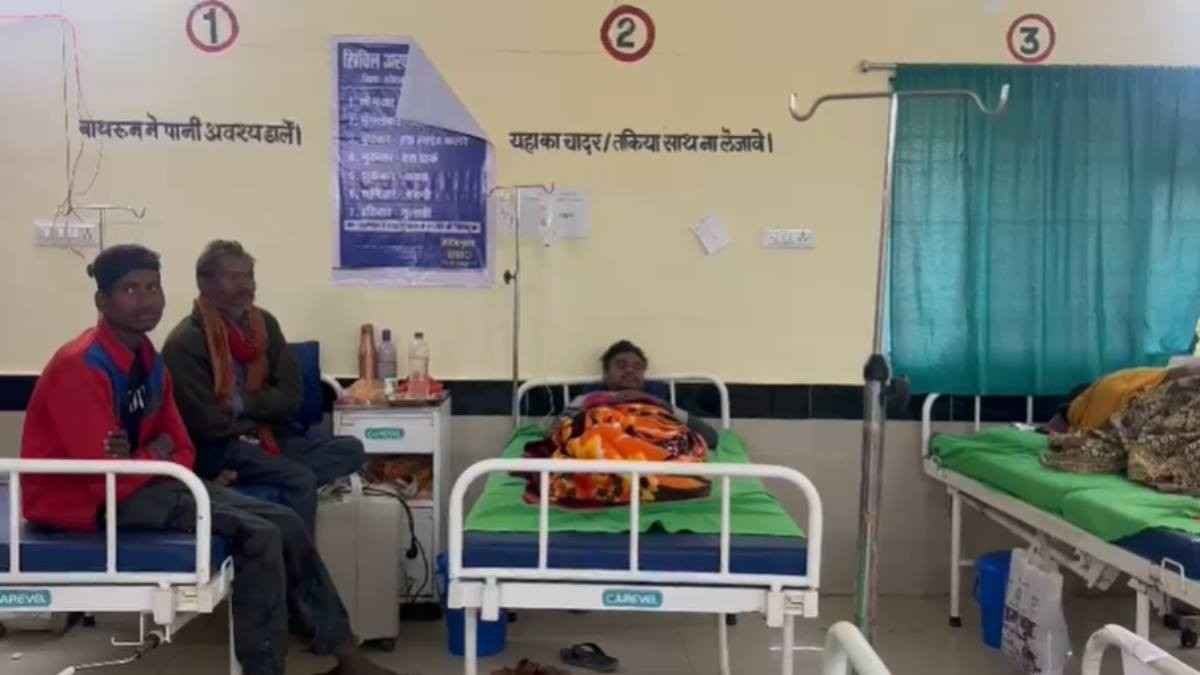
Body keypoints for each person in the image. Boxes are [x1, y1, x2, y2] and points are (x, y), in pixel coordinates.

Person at [20, 245, 395, 675]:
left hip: (147, 481)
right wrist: (155, 453)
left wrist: (149, 455)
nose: (146, 300)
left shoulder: (147, 359)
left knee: (285, 520)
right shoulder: (83, 365)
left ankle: (343, 653)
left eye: (153, 288)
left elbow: (181, 447)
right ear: (102, 301)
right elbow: (107, 478)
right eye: (130, 289)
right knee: (259, 532)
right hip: (86, 504)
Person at [163, 240, 364, 533]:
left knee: (352, 449)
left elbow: (292, 397)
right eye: (234, 277)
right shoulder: (186, 341)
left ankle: (244, 478)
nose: (246, 285)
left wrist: (242, 405)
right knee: (300, 480)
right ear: (205, 283)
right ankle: (296, 561)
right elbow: (206, 423)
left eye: (249, 276)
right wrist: (262, 414)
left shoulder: (265, 325)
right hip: (220, 448)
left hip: (270, 437)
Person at [566, 339, 720, 448]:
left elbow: (711, 438)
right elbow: (557, 434)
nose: (630, 370)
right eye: (621, 365)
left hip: (655, 466)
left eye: (637, 366)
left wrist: (657, 403)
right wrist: (600, 401)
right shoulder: (585, 400)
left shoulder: (658, 404)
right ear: (606, 373)